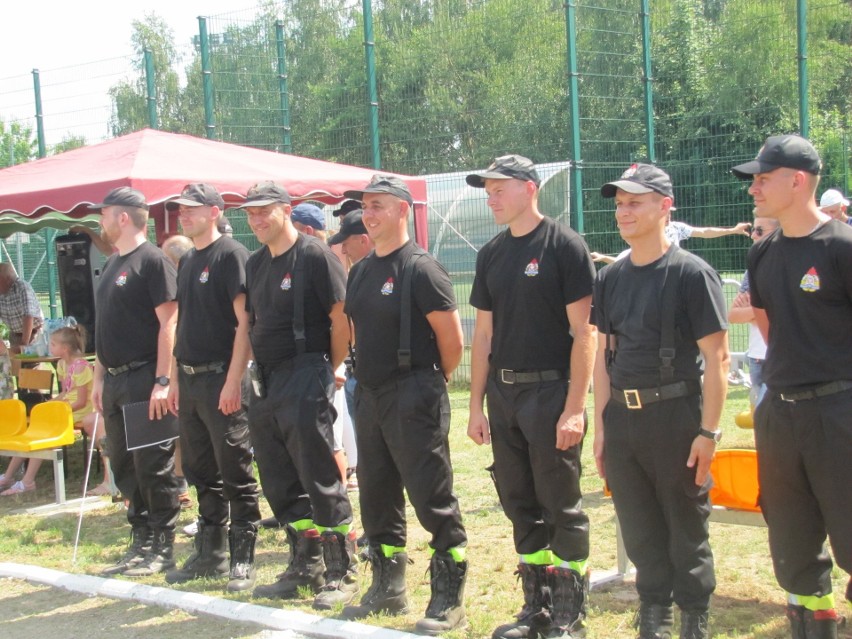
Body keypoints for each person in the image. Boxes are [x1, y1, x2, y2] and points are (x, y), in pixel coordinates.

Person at [592, 163, 729, 639]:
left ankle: (693, 617)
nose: (623, 213)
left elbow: (718, 358)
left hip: (676, 414)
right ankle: (654, 614)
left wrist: (708, 433)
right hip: (624, 419)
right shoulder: (611, 278)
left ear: (665, 206)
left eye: (635, 202)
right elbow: (603, 357)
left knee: (685, 523)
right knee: (638, 523)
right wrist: (603, 427)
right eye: (619, 205)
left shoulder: (693, 274)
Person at [466, 155, 597, 639]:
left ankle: (569, 612)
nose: (491, 196)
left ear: (529, 189)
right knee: (518, 499)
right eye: (488, 189)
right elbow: (482, 336)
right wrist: (477, 405)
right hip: (504, 394)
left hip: (549, 391)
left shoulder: (564, 244)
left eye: (499, 188)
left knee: (560, 501)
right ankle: (537, 607)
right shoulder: (492, 253)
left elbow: (585, 331)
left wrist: (575, 408)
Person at [732, 134, 851, 639]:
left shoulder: (842, 247)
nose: (754, 188)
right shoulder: (764, 253)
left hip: (839, 410)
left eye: (763, 178)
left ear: (797, 181)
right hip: (780, 411)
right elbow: (768, 327)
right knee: (792, 535)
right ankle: (813, 623)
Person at [340, 176, 468, 635]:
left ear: (401, 211)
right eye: (365, 206)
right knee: (376, 494)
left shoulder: (421, 268)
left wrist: (428, 383)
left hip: (413, 391)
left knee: (432, 496)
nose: (368, 214)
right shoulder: (360, 270)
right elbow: (356, 332)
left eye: (377, 205)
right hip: (369, 394)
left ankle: (448, 597)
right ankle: (387, 585)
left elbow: (452, 342)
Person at [242, 181, 359, 610]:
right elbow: (250, 323)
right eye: (250, 213)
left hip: (306, 370)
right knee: (277, 475)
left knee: (319, 474)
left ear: (286, 210)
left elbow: (340, 317)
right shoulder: (256, 264)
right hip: (266, 380)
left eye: (264, 212)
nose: (255, 220)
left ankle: (341, 569)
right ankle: (304, 562)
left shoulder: (315, 256)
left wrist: (329, 368)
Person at [162, 184, 261, 592]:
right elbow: (181, 322)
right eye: (181, 209)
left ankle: (243, 556)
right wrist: (169, 378)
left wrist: (234, 379)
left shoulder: (232, 255)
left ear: (214, 211)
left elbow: (245, 324)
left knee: (235, 468)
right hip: (188, 377)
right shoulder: (187, 261)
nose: (183, 215)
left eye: (191, 209)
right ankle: (211, 550)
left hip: (221, 376)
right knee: (201, 469)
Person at [89, 186, 181, 578]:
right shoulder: (112, 264)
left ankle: (163, 545)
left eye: (104, 214)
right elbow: (103, 328)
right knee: (125, 466)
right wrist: (97, 376)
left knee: (153, 466)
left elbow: (170, 322)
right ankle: (141, 538)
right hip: (114, 379)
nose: (100, 222)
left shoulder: (154, 261)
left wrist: (163, 379)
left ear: (122, 217)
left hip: (145, 376)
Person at [329, 209, 373, 489]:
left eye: (348, 241)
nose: (343, 248)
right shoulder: (357, 272)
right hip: (360, 370)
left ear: (365, 240)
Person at [51, 325, 112, 497]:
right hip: (93, 408)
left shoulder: (82, 367)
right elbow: (66, 392)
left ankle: (110, 479)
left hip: (87, 409)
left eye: (53, 344)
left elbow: (80, 400)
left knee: (96, 424)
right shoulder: (62, 365)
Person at [159, 233, 196, 510]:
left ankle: (182, 486)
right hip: (175, 365)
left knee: (182, 431)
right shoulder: (171, 284)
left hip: (193, 369)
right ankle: (178, 486)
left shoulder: (188, 283)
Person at [727, 215, 779, 408]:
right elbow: (732, 315)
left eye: (759, 231)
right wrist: (763, 308)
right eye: (753, 230)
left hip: (779, 357)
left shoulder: (790, 267)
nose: (753, 236)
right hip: (756, 358)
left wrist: (751, 310)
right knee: (761, 423)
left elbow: (784, 312)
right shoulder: (752, 270)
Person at [591, 217, 752, 264]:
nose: (668, 216)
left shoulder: (677, 228)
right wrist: (604, 258)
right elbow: (624, 263)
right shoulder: (644, 233)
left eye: (670, 212)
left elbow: (703, 232)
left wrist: (732, 230)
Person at [0, 262, 44, 349]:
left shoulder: (22, 287)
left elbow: (28, 316)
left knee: (29, 362)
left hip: (33, 334)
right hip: (14, 335)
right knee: (13, 362)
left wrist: (24, 345)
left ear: (8, 279)